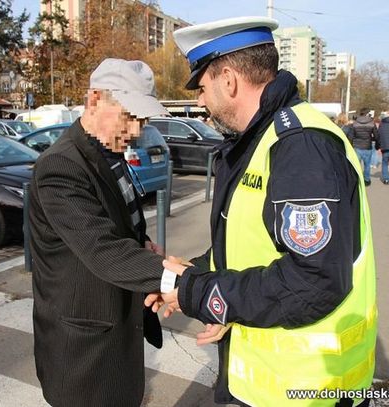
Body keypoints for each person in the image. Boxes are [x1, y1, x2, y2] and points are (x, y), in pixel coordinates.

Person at [147, 16, 377, 407]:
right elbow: (251, 244)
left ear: (229, 79)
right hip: (265, 381)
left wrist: (198, 293)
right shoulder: (263, 139)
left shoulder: (300, 145)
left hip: (306, 391)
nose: (200, 101)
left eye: (202, 88)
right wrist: (193, 273)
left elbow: (312, 282)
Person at [29, 58, 172, 407]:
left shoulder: (109, 152)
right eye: (129, 116)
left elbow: (120, 222)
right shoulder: (61, 166)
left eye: (144, 119)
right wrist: (178, 279)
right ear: (94, 99)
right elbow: (102, 249)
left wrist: (143, 245)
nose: (137, 130)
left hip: (118, 334)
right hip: (85, 355)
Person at [351, 108, 379, 186]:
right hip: (367, 146)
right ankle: (366, 180)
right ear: (367, 113)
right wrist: (377, 145)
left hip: (357, 146)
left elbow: (351, 135)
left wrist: (350, 145)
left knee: (356, 165)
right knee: (367, 165)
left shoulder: (355, 123)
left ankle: (356, 180)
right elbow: (376, 136)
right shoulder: (371, 123)